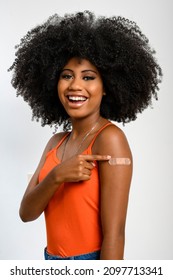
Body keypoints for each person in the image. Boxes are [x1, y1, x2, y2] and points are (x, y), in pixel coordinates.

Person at [9, 11, 162, 260]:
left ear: (107, 87)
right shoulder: (55, 142)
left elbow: (115, 234)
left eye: (88, 77)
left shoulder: (109, 139)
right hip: (50, 261)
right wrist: (58, 175)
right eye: (66, 75)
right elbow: (27, 213)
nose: (75, 86)